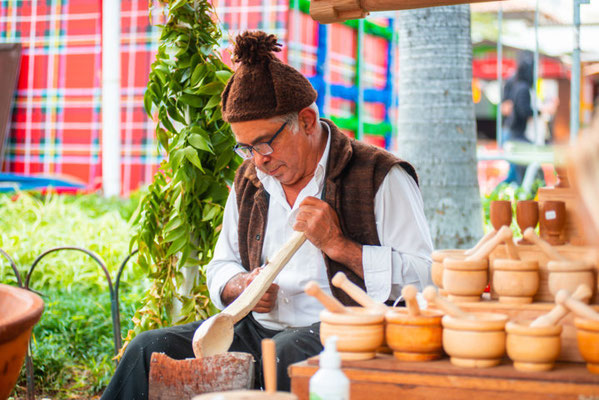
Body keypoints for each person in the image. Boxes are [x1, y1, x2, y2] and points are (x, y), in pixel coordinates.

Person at [100, 31, 433, 400]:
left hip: (347, 332)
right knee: (147, 348)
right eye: (247, 148)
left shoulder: (380, 175)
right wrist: (239, 287)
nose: (259, 160)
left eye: (264, 143)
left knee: (288, 353)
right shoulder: (252, 179)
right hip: (256, 330)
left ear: (306, 121)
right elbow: (221, 265)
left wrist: (340, 246)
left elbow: (426, 277)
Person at [501, 50, 534, 185]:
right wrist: (539, 111)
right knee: (515, 175)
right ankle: (495, 197)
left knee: (515, 173)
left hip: (510, 131)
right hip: (515, 133)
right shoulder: (521, 87)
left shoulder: (513, 83)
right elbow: (518, 109)